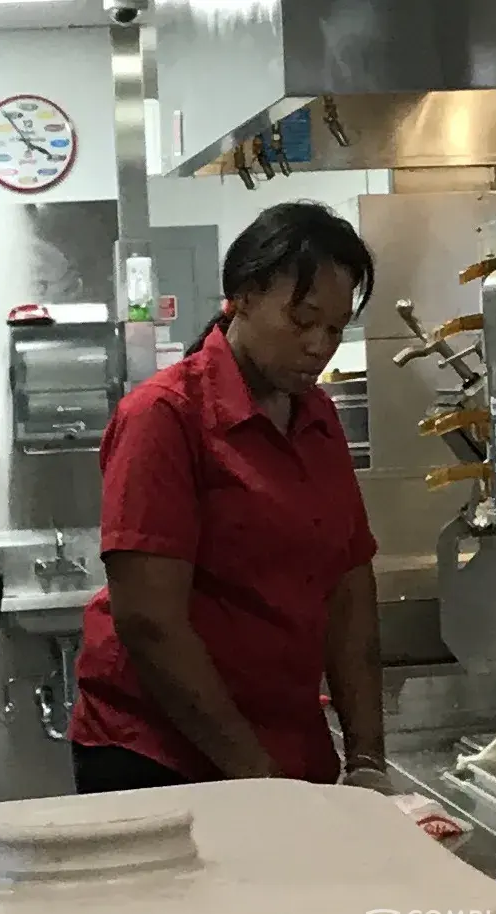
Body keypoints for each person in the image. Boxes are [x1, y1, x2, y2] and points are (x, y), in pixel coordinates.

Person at [69, 201, 393, 796]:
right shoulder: (164, 416)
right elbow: (149, 621)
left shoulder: (316, 416)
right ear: (242, 294)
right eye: (302, 321)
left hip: (284, 747)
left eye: (335, 329)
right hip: (161, 757)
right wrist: (257, 780)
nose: (319, 346)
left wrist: (367, 756)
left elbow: (349, 586)